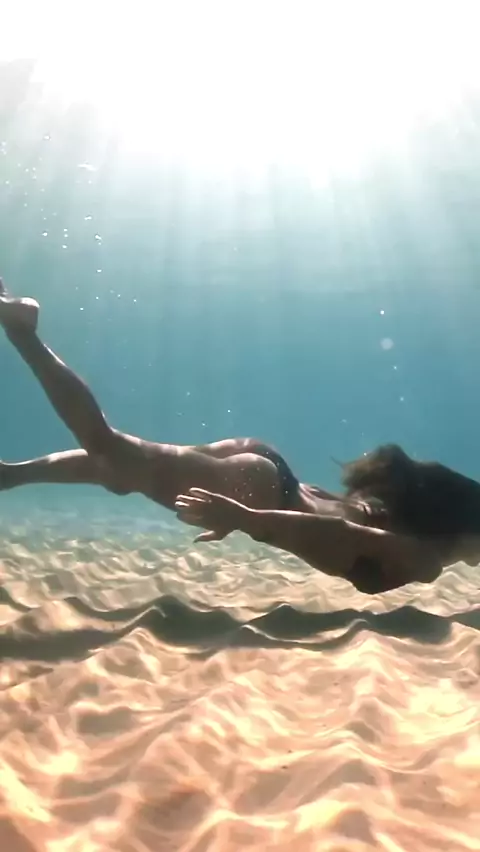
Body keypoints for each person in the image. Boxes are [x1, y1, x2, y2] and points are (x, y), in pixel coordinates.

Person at [0, 279, 477, 595]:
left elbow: (343, 524)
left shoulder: (397, 524)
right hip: (261, 490)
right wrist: (247, 518)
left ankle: (12, 476)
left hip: (272, 474)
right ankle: (23, 333)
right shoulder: (424, 560)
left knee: (121, 471)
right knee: (109, 446)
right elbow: (338, 532)